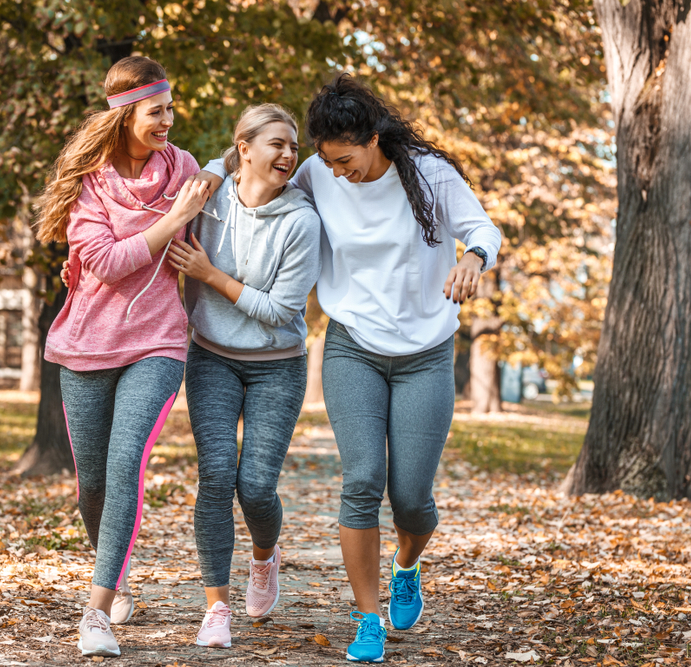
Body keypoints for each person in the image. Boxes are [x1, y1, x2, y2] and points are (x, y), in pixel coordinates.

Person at [201, 73, 502, 663]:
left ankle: (406, 566)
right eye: (328, 161)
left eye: (346, 160)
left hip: (425, 354)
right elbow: (252, 168)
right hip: (352, 346)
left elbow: (482, 227)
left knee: (411, 499)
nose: (337, 173)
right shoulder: (318, 172)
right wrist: (213, 170)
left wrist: (472, 258)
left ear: (372, 139)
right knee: (362, 481)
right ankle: (368, 618)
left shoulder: (428, 174)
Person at [34, 55, 209, 658]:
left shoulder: (184, 168)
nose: (167, 120)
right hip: (87, 343)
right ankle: (117, 570)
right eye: (155, 111)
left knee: (125, 464)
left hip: (158, 342)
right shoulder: (91, 181)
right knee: (92, 486)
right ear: (125, 115)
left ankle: (96, 610)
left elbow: (225, 197)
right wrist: (174, 220)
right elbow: (107, 263)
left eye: (170, 108)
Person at [165, 104, 320, 649]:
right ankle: (216, 608)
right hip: (211, 356)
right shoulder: (208, 198)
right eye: (277, 143)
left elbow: (280, 311)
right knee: (214, 476)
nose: (288, 154)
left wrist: (212, 276)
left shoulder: (302, 222)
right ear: (244, 149)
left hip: (277, 364)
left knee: (255, 486)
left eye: (293, 147)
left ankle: (264, 557)